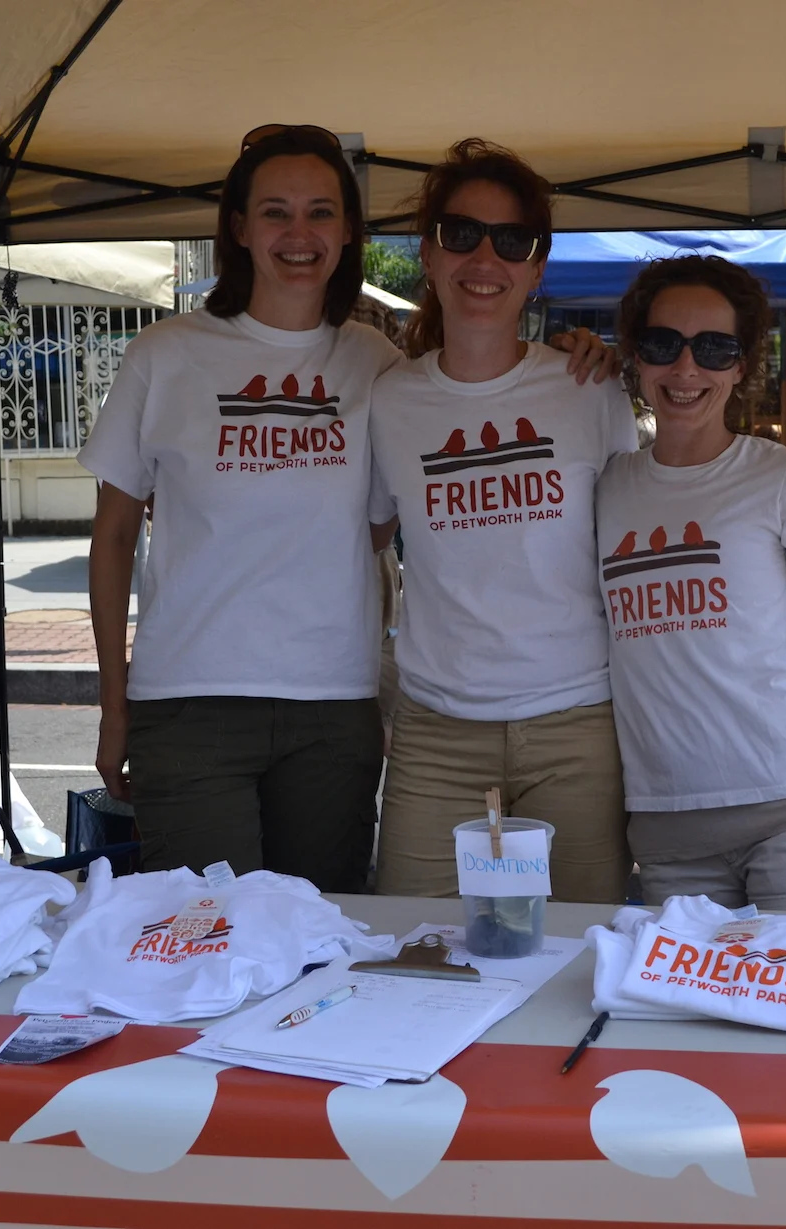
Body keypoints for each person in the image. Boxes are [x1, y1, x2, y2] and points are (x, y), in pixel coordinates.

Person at [80, 125, 614, 887]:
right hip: (190, 701)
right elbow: (112, 538)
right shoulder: (163, 355)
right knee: (211, 930)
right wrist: (113, 704)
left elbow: (390, 507)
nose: (298, 234)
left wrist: (587, 354)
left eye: (321, 212)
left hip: (333, 705)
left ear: (348, 232)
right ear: (238, 227)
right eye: (275, 212)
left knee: (325, 931)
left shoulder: (376, 365)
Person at [369, 139, 636, 903]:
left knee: (580, 946)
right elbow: (361, 538)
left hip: (576, 724)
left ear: (536, 266)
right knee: (409, 940)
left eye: (512, 240)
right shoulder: (390, 399)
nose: (484, 258)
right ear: (427, 252)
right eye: (461, 234)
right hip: (436, 730)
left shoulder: (588, 388)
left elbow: (632, 536)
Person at [596, 255, 786, 912]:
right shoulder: (605, 484)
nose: (686, 368)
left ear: (741, 365)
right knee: (685, 987)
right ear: (635, 356)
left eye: (714, 348)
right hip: (668, 821)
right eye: (662, 344)